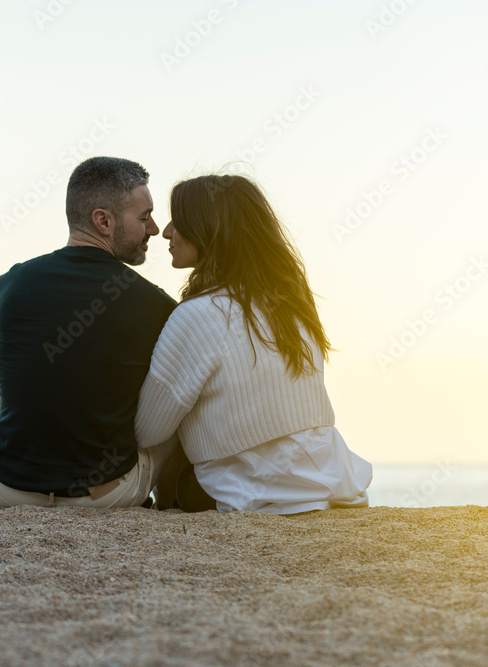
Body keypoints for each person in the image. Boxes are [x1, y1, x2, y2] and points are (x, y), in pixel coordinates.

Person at [135, 174, 372, 514]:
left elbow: (148, 431)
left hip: (249, 493)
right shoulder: (292, 307)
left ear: (209, 229)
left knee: (174, 415)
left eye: (180, 221)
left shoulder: (196, 315)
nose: (168, 232)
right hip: (333, 481)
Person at [0, 157, 179, 508]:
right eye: (144, 217)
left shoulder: (11, 284)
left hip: (10, 490)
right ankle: (172, 501)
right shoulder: (155, 304)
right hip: (109, 495)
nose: (154, 229)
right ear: (104, 221)